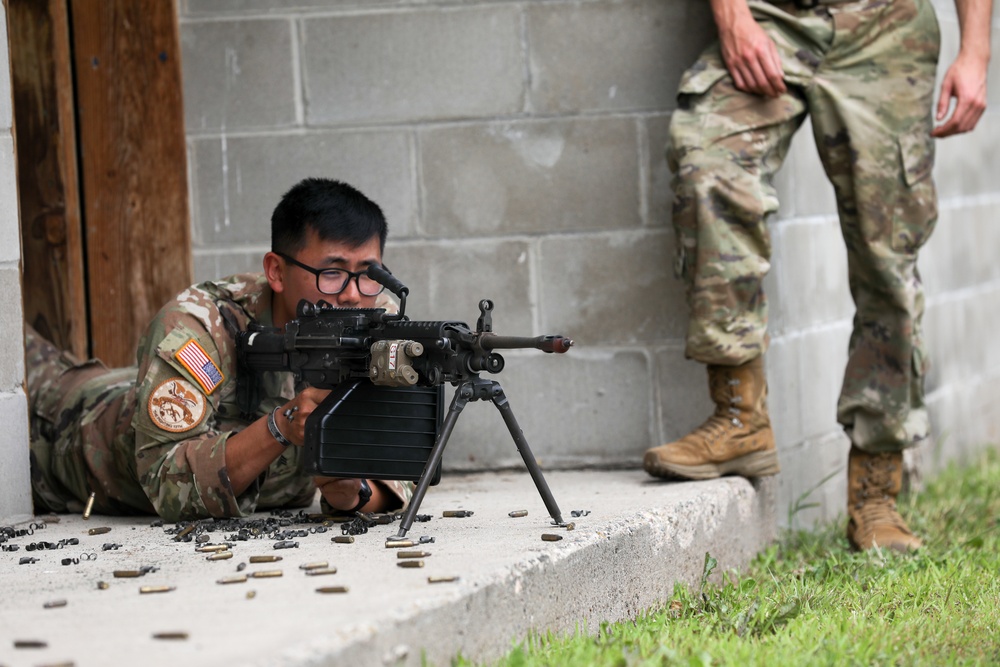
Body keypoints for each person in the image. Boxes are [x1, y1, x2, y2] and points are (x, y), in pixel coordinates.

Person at [643, 0, 992, 551]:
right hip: (770, 16)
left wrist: (975, 51)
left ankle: (876, 495)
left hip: (886, 26)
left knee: (888, 254)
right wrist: (732, 18)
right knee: (708, 164)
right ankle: (739, 416)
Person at [26, 177, 411, 522]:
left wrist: (351, 494)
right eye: (332, 273)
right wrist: (281, 427)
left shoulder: (375, 323)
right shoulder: (199, 324)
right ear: (276, 271)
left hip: (134, 391)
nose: (351, 294)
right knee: (24, 360)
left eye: (368, 275)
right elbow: (166, 480)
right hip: (68, 426)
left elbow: (403, 470)